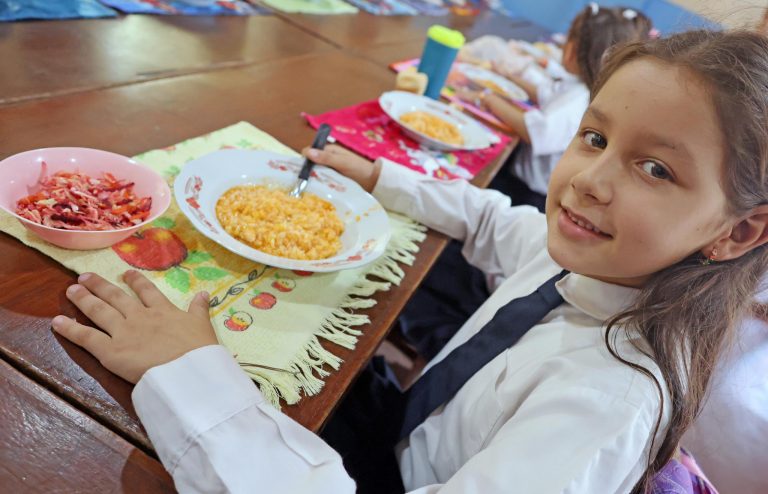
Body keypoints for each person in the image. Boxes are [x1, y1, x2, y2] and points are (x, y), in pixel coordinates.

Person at [51, 29, 768, 493]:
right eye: (593, 137)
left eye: (655, 170)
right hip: (404, 429)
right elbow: (494, 217)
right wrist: (376, 178)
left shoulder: (606, 405)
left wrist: (190, 379)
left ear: (738, 233)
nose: (590, 179)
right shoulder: (595, 264)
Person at [459, 3, 653, 211]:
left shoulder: (578, 98)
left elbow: (536, 131)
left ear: (575, 49)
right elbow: (546, 93)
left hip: (526, 193)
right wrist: (508, 76)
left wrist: (488, 99)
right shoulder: (577, 86)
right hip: (521, 180)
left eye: (569, 38)